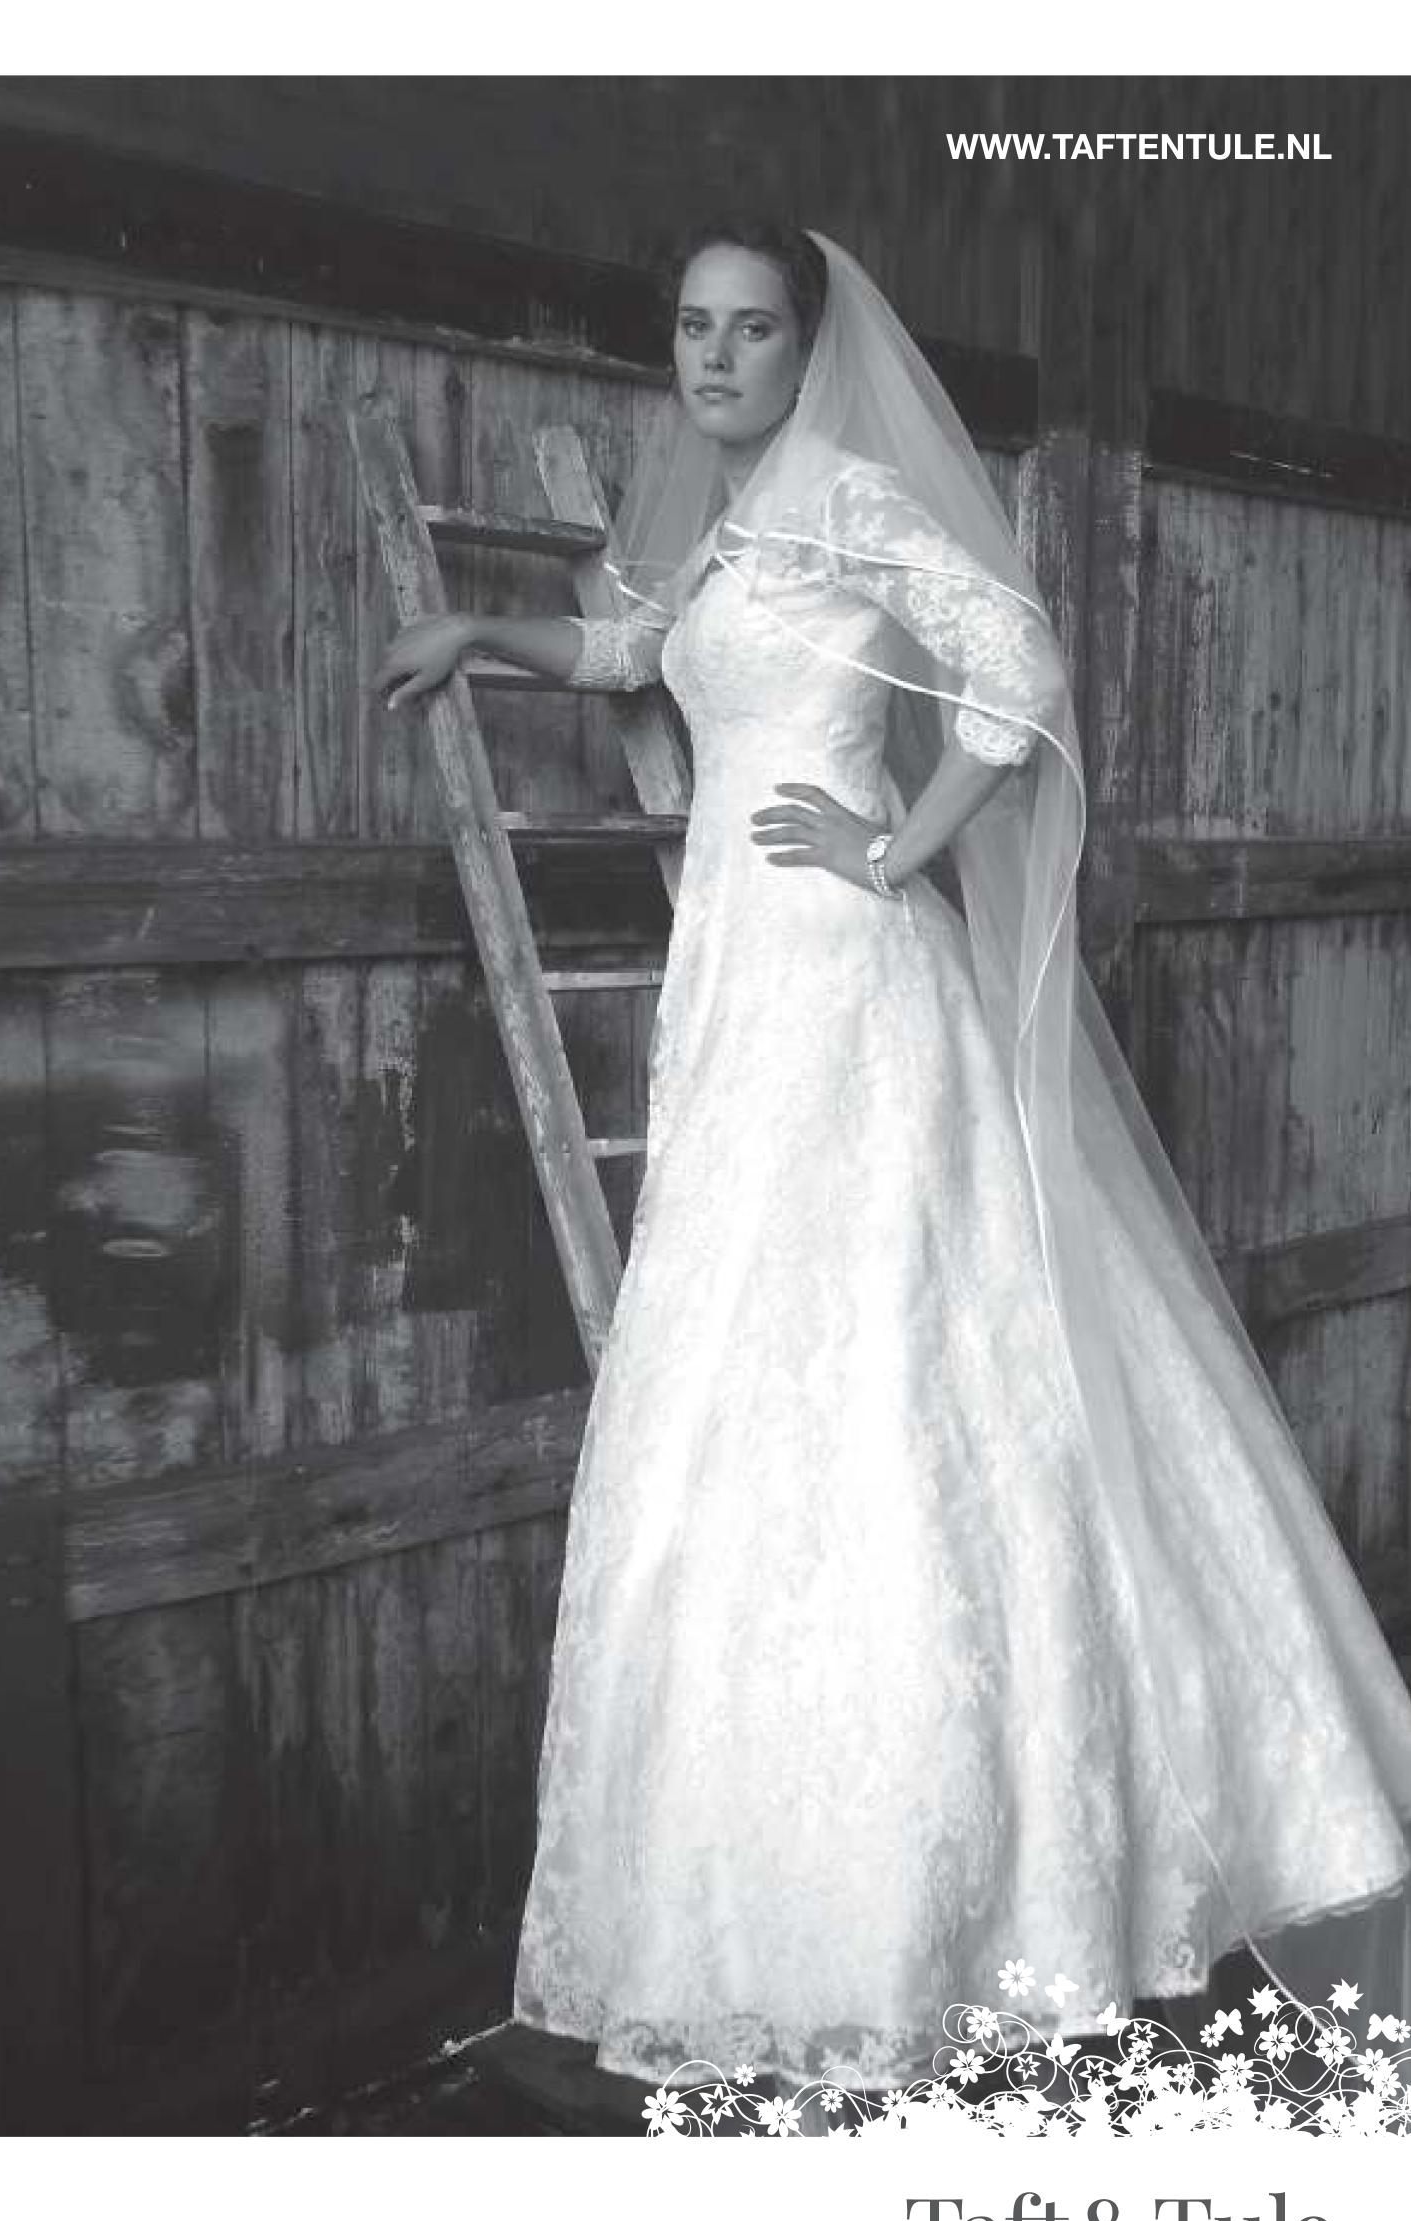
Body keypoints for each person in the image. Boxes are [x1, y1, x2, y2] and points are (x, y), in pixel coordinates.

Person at [374, 222, 1411, 2108]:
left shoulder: (849, 497)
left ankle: (972, 1872)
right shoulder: (714, 513)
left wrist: (890, 846)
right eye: (691, 328)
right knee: (745, 1364)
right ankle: (752, 1875)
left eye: (750, 330)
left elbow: (1016, 669)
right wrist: (481, 638)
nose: (712, 358)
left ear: (808, 347)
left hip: (840, 967)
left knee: (892, 1349)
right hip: (735, 982)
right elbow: (631, 648)